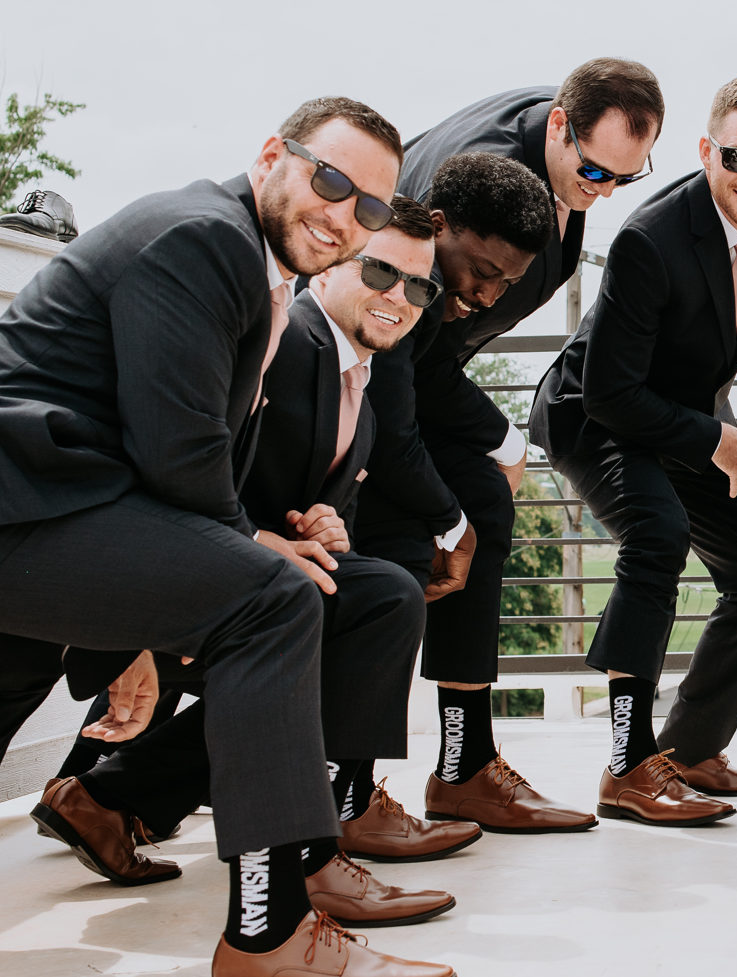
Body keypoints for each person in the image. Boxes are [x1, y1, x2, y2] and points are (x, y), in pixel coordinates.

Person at [0, 98, 453, 974]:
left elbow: (172, 451)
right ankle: (270, 933)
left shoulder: (251, 265)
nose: (342, 216)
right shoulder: (203, 238)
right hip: (32, 498)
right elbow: (178, 450)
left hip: (55, 509)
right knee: (272, 598)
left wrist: (154, 607)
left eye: (366, 207)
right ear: (271, 155)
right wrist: (235, 558)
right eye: (331, 181)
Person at [355, 60, 663, 832]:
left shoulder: (565, 165)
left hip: (422, 369)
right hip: (364, 369)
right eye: (593, 169)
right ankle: (341, 792)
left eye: (624, 178)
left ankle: (464, 762)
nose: (601, 190)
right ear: (559, 124)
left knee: (486, 496)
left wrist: (491, 451)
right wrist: (497, 437)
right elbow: (399, 357)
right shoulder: (471, 190)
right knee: (410, 535)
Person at [530, 75, 737, 824]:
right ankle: (627, 767)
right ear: (705, 151)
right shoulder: (647, 240)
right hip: (595, 413)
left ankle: (688, 750)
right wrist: (714, 437)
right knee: (656, 534)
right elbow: (610, 394)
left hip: (687, 412)